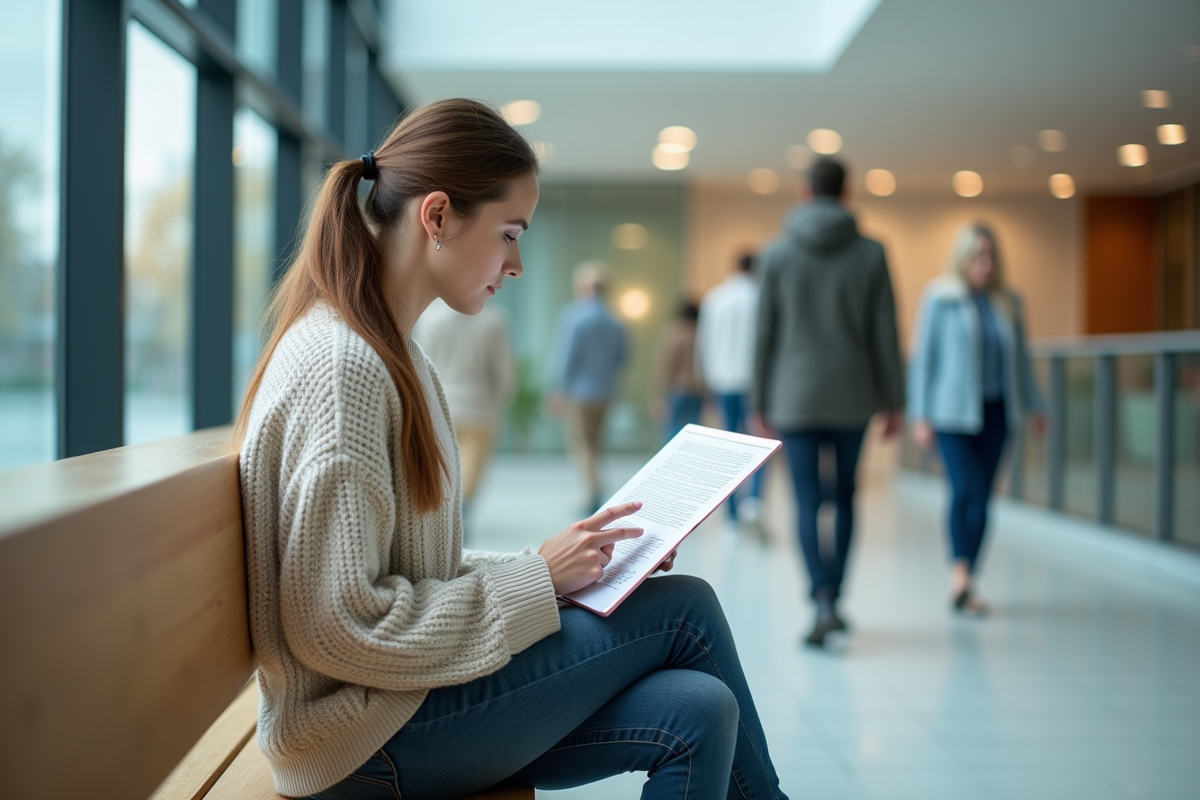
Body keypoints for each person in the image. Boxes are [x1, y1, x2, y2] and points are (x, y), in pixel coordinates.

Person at [234, 99, 789, 800]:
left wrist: (560, 567)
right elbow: (338, 628)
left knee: (701, 711)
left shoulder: (390, 352)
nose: (518, 263)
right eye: (509, 234)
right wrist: (540, 581)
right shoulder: (346, 369)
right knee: (686, 608)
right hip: (358, 738)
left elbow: (404, 574)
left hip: (396, 706)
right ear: (436, 217)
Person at [752, 156, 905, 648]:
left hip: (793, 398)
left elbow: (764, 335)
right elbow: (885, 331)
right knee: (845, 496)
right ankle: (834, 597)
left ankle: (817, 595)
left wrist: (759, 401)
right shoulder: (872, 252)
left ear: (802, 192)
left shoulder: (776, 254)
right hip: (853, 394)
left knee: (805, 498)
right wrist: (894, 400)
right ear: (848, 192)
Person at [908, 223, 1046, 616]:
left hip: (998, 412)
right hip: (951, 414)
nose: (984, 265)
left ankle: (969, 577)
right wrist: (921, 415)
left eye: (990, 257)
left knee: (983, 497)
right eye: (977, 257)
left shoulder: (1009, 302)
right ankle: (960, 576)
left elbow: (1021, 361)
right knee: (964, 488)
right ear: (963, 258)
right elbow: (924, 359)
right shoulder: (940, 297)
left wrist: (1037, 407)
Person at [413, 297, 515, 529]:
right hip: (479, 406)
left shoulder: (429, 316)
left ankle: (444, 514)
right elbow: (504, 371)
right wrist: (496, 402)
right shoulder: (495, 319)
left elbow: (418, 360)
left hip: (438, 403)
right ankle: (462, 509)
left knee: (441, 465)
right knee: (472, 465)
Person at [544, 262, 629, 513]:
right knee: (596, 443)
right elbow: (624, 358)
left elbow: (565, 356)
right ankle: (595, 488)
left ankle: (594, 491)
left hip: (580, 393)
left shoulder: (574, 316)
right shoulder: (616, 321)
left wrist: (557, 388)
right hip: (606, 391)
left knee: (582, 445)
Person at [697, 253, 765, 534]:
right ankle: (754, 501)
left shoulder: (715, 298)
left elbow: (704, 343)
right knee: (760, 444)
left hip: (723, 380)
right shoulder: (762, 297)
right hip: (755, 382)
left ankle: (732, 519)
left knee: (729, 448)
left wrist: (706, 381)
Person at [651, 299, 705, 442]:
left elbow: (665, 366)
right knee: (695, 433)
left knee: (673, 433)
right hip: (698, 391)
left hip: (677, 389)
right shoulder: (700, 333)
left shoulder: (673, 333)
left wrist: (658, 396)